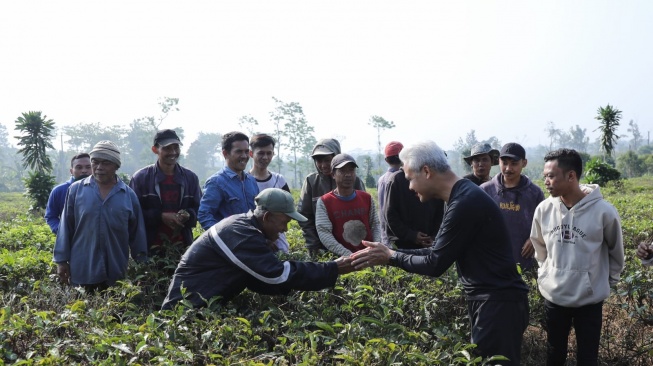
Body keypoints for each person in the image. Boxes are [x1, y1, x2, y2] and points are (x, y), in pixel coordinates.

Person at [350, 141, 529, 366]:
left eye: (409, 178)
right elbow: (438, 251)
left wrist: (391, 257)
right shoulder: (460, 196)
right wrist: (389, 252)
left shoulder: (464, 202)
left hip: (498, 305)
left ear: (426, 171)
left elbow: (435, 263)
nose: (409, 187)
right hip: (493, 302)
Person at [161, 188, 355, 309]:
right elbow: (276, 274)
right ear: (267, 217)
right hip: (184, 312)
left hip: (201, 310)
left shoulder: (246, 228)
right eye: (284, 222)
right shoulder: (240, 233)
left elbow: (261, 281)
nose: (285, 229)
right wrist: (332, 268)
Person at [530, 148, 625, 366]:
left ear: (571, 176)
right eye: (545, 176)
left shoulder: (604, 212)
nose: (546, 181)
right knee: (554, 354)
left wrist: (603, 282)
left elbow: (616, 251)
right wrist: (546, 274)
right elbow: (539, 246)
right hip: (554, 296)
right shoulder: (544, 209)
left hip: (589, 301)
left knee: (587, 358)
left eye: (551, 176)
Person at [53, 141, 147, 290]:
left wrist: (142, 267)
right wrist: (61, 261)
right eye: (95, 162)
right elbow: (65, 227)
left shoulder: (128, 195)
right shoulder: (76, 190)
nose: (99, 168)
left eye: (106, 163)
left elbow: (137, 234)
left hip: (116, 272)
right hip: (83, 270)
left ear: (116, 166)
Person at [129, 129, 202, 256]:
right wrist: (160, 216)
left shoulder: (190, 178)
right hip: (150, 249)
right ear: (155, 149)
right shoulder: (141, 178)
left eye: (176, 148)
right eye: (167, 148)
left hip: (183, 248)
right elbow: (133, 215)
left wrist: (188, 215)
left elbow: (199, 209)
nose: (173, 152)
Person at [480, 142, 544, 271]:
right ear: (499, 162)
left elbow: (546, 224)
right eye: (505, 163)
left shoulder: (535, 193)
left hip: (524, 262)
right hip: (491, 263)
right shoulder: (485, 191)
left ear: (524, 163)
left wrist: (534, 239)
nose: (508, 168)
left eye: (514, 163)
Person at [298, 138, 365, 255]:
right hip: (321, 246)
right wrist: (313, 244)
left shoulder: (353, 181)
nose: (323, 165)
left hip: (352, 246)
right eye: (319, 161)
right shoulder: (311, 182)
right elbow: (304, 217)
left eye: (327, 160)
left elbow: (364, 214)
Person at [315, 154, 381, 256]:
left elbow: (375, 225)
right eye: (342, 171)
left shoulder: (366, 198)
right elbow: (324, 233)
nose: (348, 175)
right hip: (343, 260)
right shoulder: (324, 202)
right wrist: (348, 255)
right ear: (333, 174)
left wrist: (375, 248)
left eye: (351, 170)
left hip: (370, 257)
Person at [198, 131, 259, 230]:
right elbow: (204, 215)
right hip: (230, 243)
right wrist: (224, 236)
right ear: (225, 153)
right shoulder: (216, 182)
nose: (244, 156)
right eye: (239, 151)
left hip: (252, 240)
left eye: (246, 151)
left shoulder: (251, 181)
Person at [383, 156, 445, 250]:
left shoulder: (437, 181)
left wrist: (433, 237)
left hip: (430, 243)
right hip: (403, 244)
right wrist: (411, 235)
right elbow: (390, 215)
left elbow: (440, 214)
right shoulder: (397, 180)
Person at [249, 133, 291, 252]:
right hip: (253, 241)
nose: (265, 157)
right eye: (261, 153)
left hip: (279, 240)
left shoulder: (279, 180)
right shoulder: (244, 181)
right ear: (251, 154)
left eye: (269, 153)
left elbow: (288, 211)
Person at [45, 153, 91, 235]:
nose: (84, 170)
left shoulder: (100, 189)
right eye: (79, 167)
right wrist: (62, 231)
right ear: (71, 171)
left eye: (88, 167)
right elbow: (51, 216)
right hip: (68, 242)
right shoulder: (59, 191)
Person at [377, 141, 403, 246]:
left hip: (385, 229)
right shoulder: (403, 178)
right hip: (401, 232)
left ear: (386, 160)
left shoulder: (381, 179)